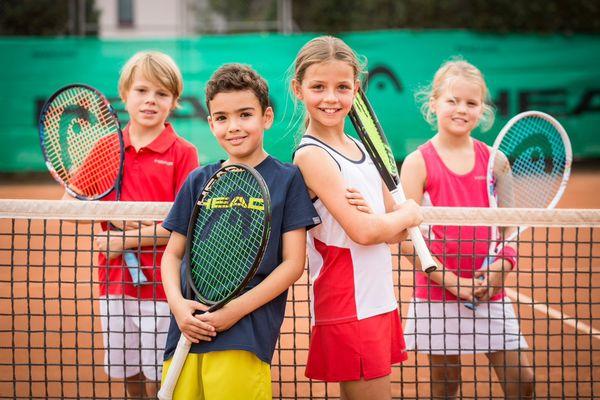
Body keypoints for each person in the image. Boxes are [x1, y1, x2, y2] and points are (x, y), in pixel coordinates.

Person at [160, 63, 320, 400]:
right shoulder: (198, 181)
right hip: (186, 332)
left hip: (246, 334)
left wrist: (233, 311)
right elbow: (172, 254)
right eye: (222, 118)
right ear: (211, 123)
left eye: (245, 114)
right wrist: (178, 306)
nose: (233, 126)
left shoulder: (288, 179)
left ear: (266, 117)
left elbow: (292, 264)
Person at [291, 35, 422, 400]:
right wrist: (404, 214)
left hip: (377, 297)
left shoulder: (363, 148)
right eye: (318, 87)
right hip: (348, 302)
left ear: (356, 90)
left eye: (342, 87)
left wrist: (387, 222)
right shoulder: (311, 155)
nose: (331, 98)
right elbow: (367, 231)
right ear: (298, 89)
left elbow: (393, 232)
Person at [64, 51, 199, 398]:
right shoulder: (106, 148)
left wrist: (125, 241)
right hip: (114, 285)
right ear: (124, 95)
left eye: (161, 94)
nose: (150, 101)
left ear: (174, 102)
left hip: (162, 289)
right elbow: (69, 205)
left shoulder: (184, 153)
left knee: (161, 378)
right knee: (130, 376)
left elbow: (180, 226)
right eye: (142, 91)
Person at [400, 58, 534, 399]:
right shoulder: (417, 163)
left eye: (471, 103)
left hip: (490, 292)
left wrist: (501, 269)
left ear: (482, 109)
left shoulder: (497, 162)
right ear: (433, 104)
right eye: (452, 100)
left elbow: (509, 231)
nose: (462, 109)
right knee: (445, 386)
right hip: (436, 295)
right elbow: (406, 240)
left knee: (522, 382)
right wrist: (453, 283)